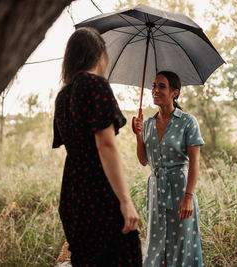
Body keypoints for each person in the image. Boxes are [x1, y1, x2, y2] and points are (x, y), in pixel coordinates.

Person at [52, 27, 142, 266]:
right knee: (122, 257)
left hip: (73, 193)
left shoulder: (62, 96)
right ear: (100, 54)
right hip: (99, 191)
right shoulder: (96, 85)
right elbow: (106, 145)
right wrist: (125, 200)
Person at [134, 71, 205, 266]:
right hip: (156, 189)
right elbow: (143, 160)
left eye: (161, 86)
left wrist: (188, 197)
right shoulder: (148, 123)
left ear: (175, 92)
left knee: (181, 242)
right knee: (157, 241)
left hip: (180, 189)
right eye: (154, 86)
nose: (155, 90)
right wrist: (139, 135)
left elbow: (195, 163)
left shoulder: (187, 122)